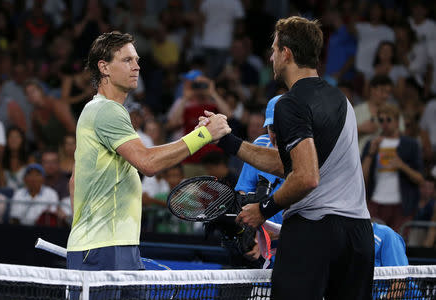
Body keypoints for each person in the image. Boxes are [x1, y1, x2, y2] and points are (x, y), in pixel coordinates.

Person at [202, 16, 374, 299]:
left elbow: (306, 177)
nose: (271, 57)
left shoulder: (290, 104)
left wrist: (263, 210)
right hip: (358, 236)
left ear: (287, 53)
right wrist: (228, 141)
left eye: (273, 49)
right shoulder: (341, 100)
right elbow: (292, 165)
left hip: (314, 233)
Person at [66, 32, 230, 273]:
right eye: (127, 60)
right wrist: (203, 136)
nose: (137, 67)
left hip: (109, 245)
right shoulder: (107, 111)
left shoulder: (97, 110)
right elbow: (147, 163)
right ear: (104, 68)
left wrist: (83, 232)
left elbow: (74, 182)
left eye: (137, 60)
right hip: (106, 247)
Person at [234, 95, 284, 267]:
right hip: (262, 247)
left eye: (283, 127)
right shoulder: (260, 144)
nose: (276, 134)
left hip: (296, 245)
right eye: (272, 128)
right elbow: (243, 192)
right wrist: (250, 232)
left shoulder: (314, 156)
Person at [361, 103, 424, 232]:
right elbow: (361, 178)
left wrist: (401, 166)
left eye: (388, 119)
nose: (384, 123)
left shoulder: (410, 144)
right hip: (375, 201)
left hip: (401, 205)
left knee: (398, 245)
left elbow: (420, 179)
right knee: (374, 244)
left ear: (397, 121)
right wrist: (371, 153)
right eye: (381, 120)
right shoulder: (372, 143)